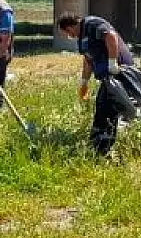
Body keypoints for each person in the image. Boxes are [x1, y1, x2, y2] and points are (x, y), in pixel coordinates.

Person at [56, 12, 135, 155]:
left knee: (105, 108)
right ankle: (100, 145)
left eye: (68, 33)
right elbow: (88, 61)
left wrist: (112, 62)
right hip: (106, 77)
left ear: (70, 26)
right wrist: (84, 82)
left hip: (118, 72)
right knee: (103, 106)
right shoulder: (82, 39)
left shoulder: (92, 24)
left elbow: (111, 36)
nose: (70, 36)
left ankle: (102, 148)